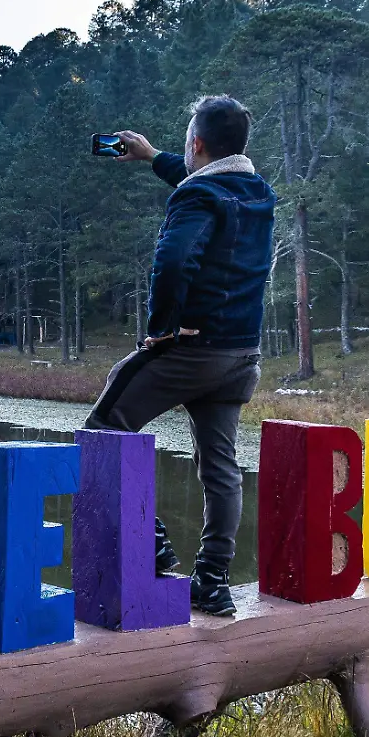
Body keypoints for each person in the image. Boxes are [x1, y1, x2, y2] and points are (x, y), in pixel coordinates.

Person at [87, 95, 275, 617]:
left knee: (102, 430)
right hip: (242, 355)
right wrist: (153, 157)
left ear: (197, 144)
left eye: (187, 143)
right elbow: (207, 186)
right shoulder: (257, 192)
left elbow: (172, 261)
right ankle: (212, 584)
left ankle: (155, 546)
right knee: (221, 468)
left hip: (193, 348)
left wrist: (160, 331)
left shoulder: (196, 197)